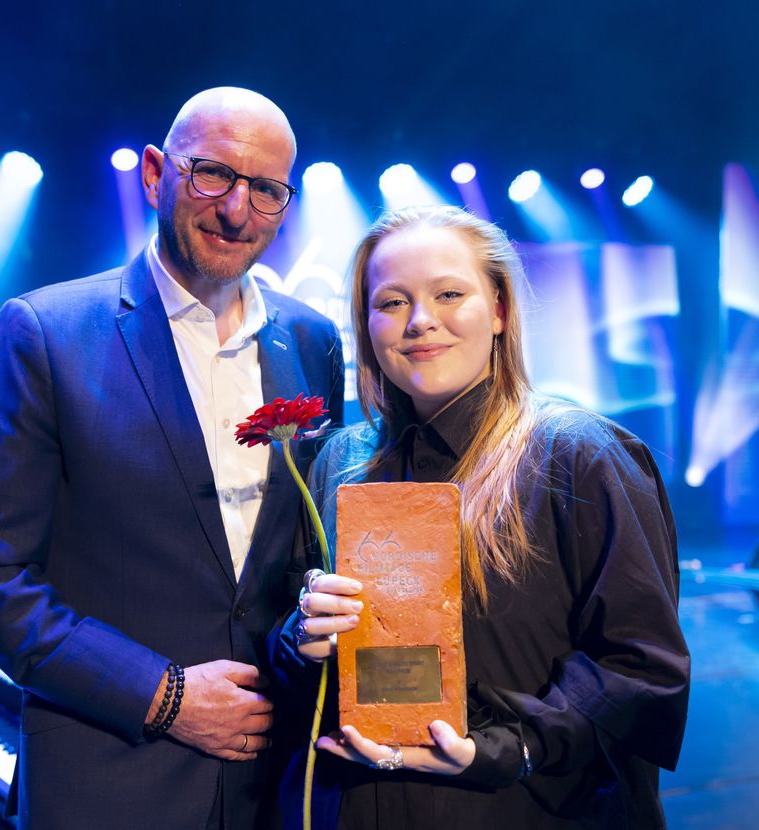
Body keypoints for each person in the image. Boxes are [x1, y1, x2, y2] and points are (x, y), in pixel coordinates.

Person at [0, 87, 345, 829]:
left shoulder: (314, 341)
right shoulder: (45, 333)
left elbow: (309, 552)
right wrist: (167, 697)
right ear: (156, 175)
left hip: (280, 781)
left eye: (266, 190)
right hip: (113, 778)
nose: (236, 210)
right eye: (214, 175)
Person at [271, 205, 689, 828]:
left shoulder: (579, 455)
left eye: (448, 293)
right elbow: (293, 649)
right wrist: (302, 639)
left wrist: (509, 748)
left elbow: (641, 669)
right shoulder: (340, 463)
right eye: (390, 302)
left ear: (498, 310)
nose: (420, 322)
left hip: (527, 808)